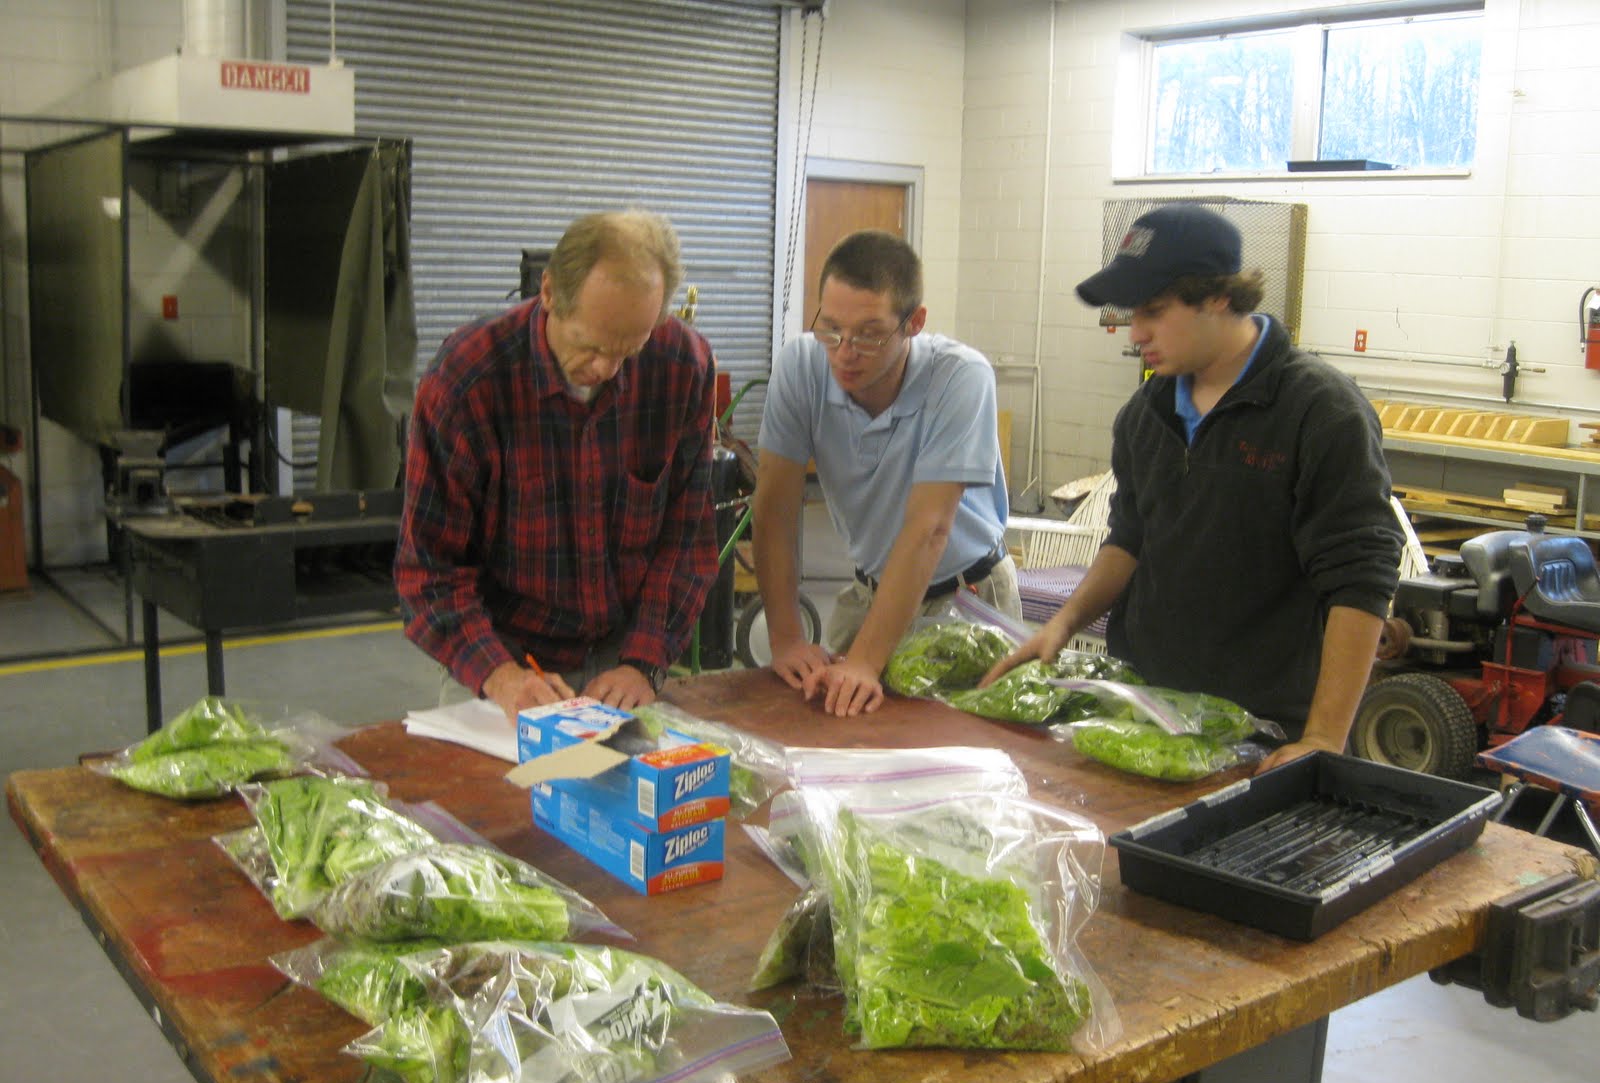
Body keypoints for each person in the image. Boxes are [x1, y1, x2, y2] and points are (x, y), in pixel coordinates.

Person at [985, 204, 1401, 770]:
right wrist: (1061, 623)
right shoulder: (1145, 413)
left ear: (1218, 297)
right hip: (1149, 709)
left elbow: (1360, 579)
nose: (1136, 334)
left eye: (1154, 311)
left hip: (1270, 732)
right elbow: (1128, 539)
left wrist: (1324, 739)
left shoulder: (1321, 411)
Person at [395, 209, 719, 722]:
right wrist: (501, 677)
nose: (606, 370)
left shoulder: (682, 367)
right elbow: (428, 571)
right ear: (548, 293)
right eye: (590, 346)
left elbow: (686, 539)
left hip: (625, 657)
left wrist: (643, 661)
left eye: (628, 351)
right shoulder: (467, 382)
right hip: (503, 659)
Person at [753, 229, 1020, 718]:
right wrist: (788, 639)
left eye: (870, 334)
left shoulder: (961, 377)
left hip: (965, 598)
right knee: (835, 729)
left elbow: (929, 530)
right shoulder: (800, 367)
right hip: (869, 592)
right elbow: (773, 510)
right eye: (830, 329)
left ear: (913, 323)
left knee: (966, 758)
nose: (844, 352)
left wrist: (864, 663)